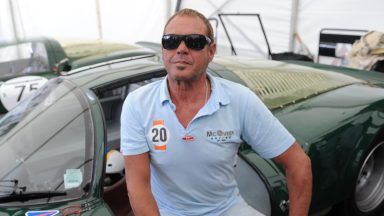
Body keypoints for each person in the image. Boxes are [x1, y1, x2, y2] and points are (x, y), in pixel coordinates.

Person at [121, 8, 312, 216]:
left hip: (226, 210)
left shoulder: (240, 99)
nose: (181, 49)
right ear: (163, 50)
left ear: (211, 51)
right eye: (171, 41)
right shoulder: (138, 104)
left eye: (194, 42)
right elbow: (137, 186)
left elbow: (299, 163)